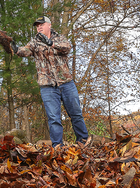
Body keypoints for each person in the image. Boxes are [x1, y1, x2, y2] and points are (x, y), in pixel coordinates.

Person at [11, 16, 89, 147]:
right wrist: (16, 49)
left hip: (66, 83)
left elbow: (67, 48)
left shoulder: (60, 38)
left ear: (49, 25)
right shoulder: (35, 42)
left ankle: (83, 142)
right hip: (47, 86)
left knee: (76, 114)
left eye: (42, 24)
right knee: (54, 119)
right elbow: (25, 51)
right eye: (37, 26)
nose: (39, 27)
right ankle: (58, 147)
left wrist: (50, 43)